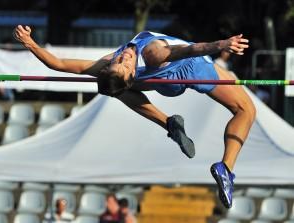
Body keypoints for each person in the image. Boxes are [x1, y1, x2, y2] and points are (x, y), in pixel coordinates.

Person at [13, 25, 256, 209]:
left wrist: (28, 42)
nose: (123, 58)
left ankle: (169, 124)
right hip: (192, 68)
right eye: (124, 65)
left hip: (164, 79)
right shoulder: (151, 53)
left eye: (119, 61)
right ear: (130, 74)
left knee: (116, 89)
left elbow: (59, 64)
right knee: (246, 109)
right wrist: (221, 44)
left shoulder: (109, 66)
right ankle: (226, 168)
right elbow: (190, 49)